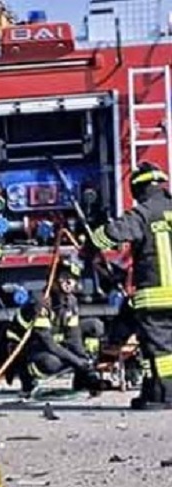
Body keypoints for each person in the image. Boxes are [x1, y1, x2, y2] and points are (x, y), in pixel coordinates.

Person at [88, 161, 172, 409]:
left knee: (160, 350)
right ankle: (152, 392)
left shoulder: (143, 213)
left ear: (139, 189)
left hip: (156, 296)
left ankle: (165, 396)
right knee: (155, 348)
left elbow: (112, 234)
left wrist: (91, 245)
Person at [4, 258, 104, 397]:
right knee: (51, 363)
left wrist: (86, 365)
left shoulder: (71, 301)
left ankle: (81, 380)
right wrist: (77, 362)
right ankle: (27, 376)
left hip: (50, 339)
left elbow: (73, 338)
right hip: (27, 346)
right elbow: (48, 343)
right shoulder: (40, 303)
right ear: (54, 278)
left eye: (73, 278)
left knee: (95, 326)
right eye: (64, 277)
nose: (69, 282)